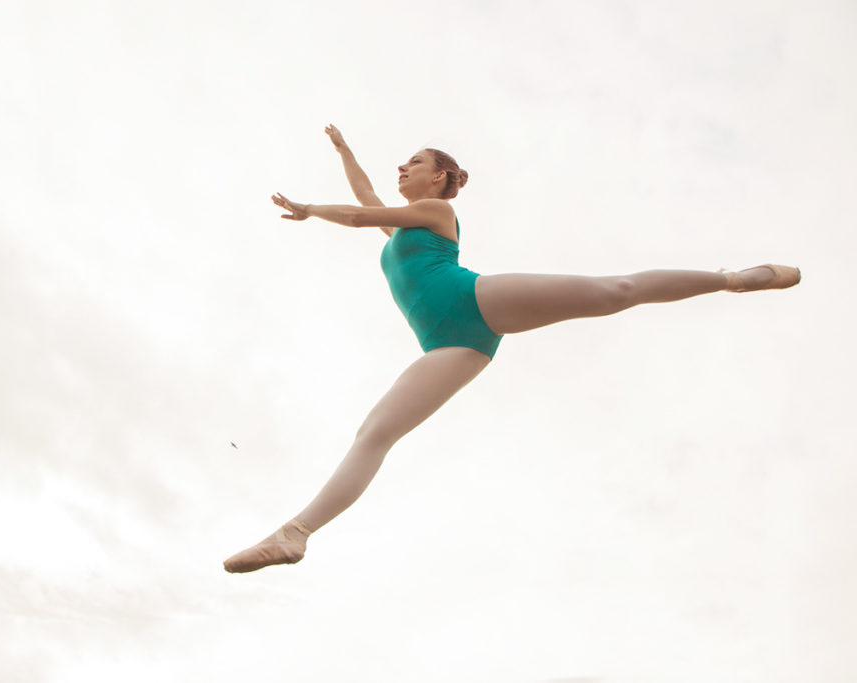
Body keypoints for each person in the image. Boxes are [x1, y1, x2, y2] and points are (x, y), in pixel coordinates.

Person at [223, 124, 800, 574]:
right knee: (375, 434)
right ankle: (295, 534)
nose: (403, 167)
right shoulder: (398, 229)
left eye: (416, 163)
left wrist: (310, 209)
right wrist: (344, 149)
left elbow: (355, 212)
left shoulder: (436, 213)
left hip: (476, 300)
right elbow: (364, 194)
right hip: (450, 346)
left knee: (612, 291)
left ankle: (729, 277)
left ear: (440, 180)